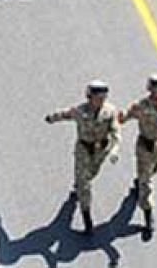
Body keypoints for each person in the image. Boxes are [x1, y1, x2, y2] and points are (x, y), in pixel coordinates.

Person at [44, 80, 122, 235]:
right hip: (84, 150)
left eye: (103, 97)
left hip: (101, 151)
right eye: (98, 97)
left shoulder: (110, 111)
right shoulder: (80, 111)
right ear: (89, 96)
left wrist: (115, 150)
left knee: (92, 174)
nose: (101, 100)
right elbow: (65, 114)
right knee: (84, 184)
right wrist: (51, 118)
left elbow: (116, 132)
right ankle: (87, 219)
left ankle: (79, 187)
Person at [120, 75, 157, 233]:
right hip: (145, 148)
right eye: (156, 88)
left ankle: (139, 183)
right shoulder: (140, 106)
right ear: (150, 88)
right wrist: (119, 116)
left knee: (153, 172)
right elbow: (123, 118)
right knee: (146, 183)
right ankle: (148, 213)